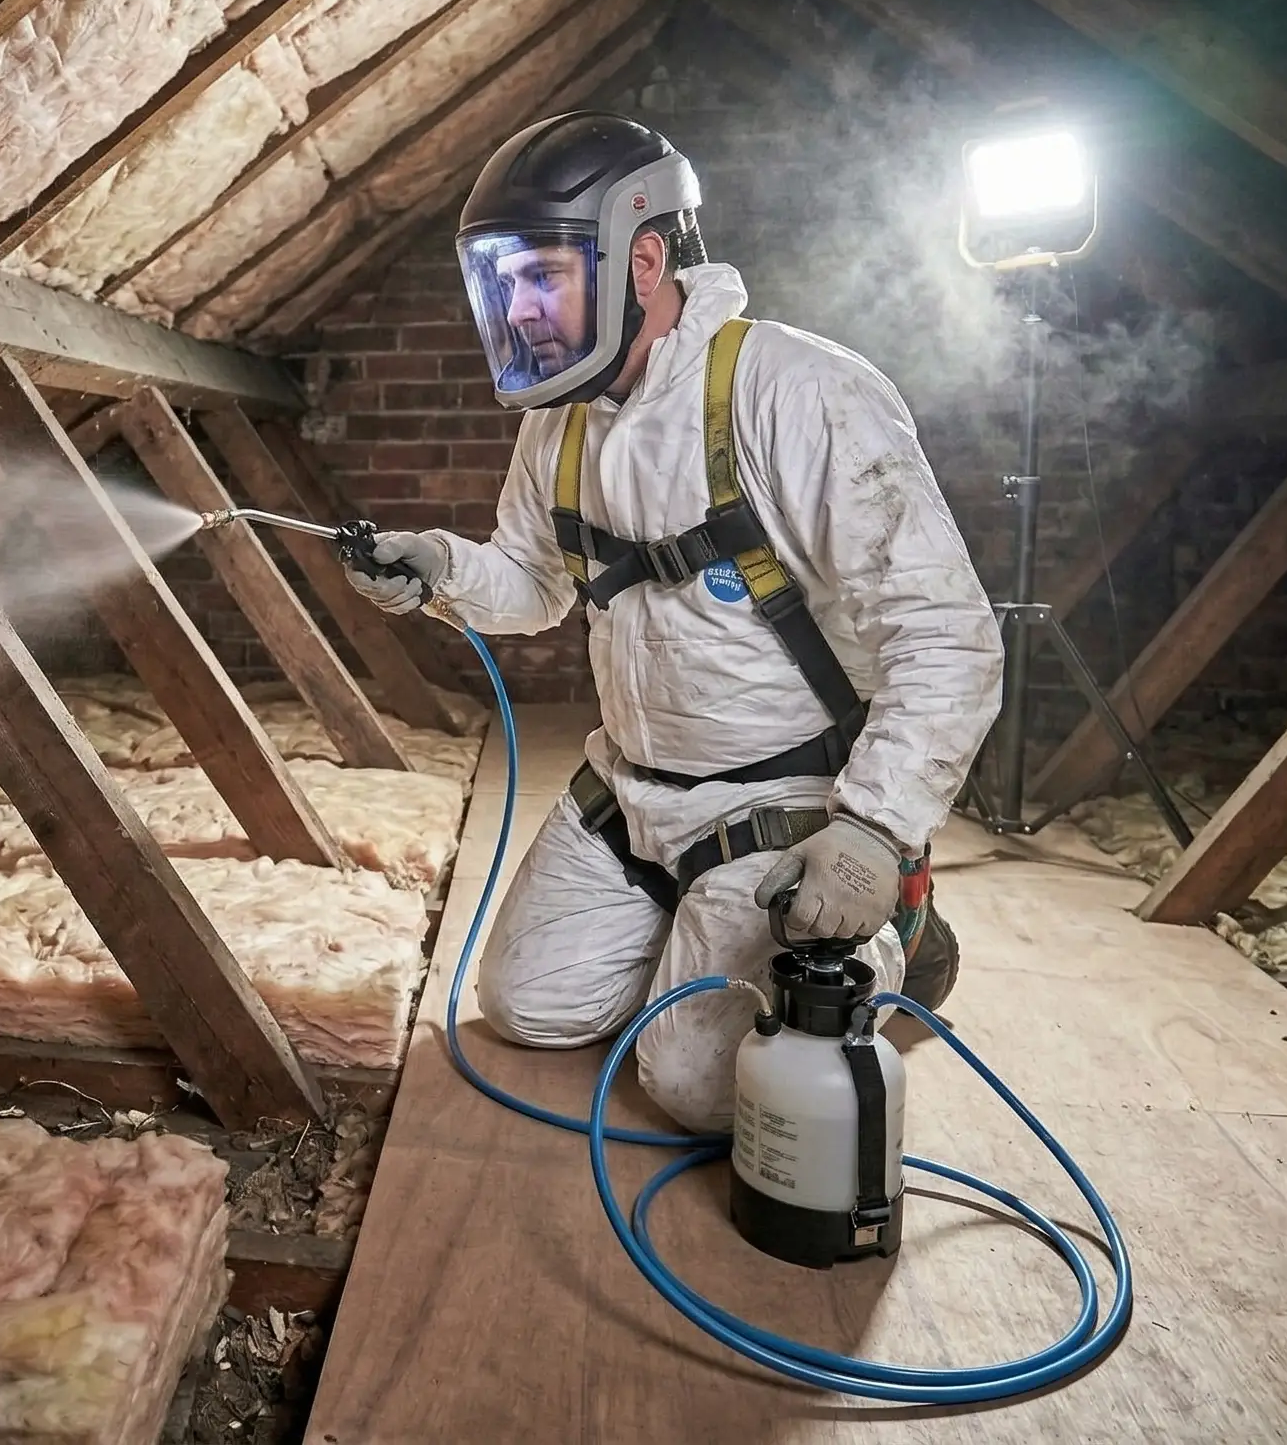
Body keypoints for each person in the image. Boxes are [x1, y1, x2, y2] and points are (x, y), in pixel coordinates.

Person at [345, 112, 1002, 1131]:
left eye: (541, 277)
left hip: (785, 794)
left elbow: (944, 639)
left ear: (641, 261)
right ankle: (693, 935)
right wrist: (439, 567)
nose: (516, 308)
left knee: (694, 1091)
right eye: (501, 281)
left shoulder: (793, 390)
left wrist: (873, 829)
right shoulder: (555, 424)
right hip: (629, 793)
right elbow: (533, 584)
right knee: (527, 1007)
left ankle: (901, 928)